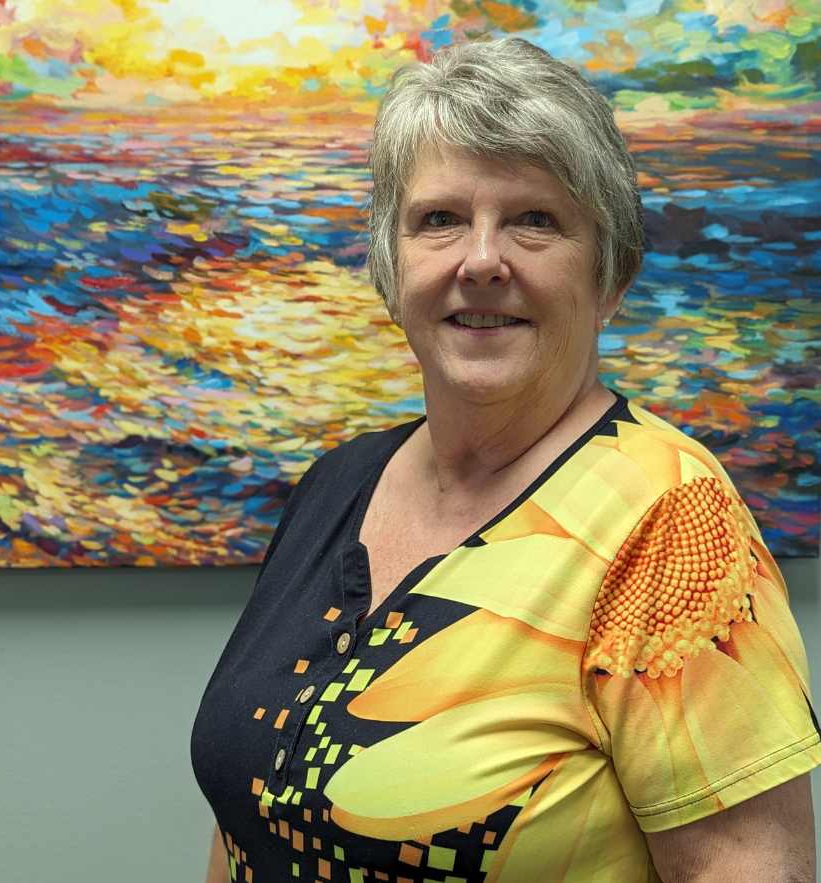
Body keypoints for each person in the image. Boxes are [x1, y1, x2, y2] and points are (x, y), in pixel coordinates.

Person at [192, 38, 819, 882]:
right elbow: (248, 816)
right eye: (439, 219)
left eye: (534, 220)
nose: (480, 261)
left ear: (608, 272)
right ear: (390, 263)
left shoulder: (669, 518)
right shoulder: (337, 484)